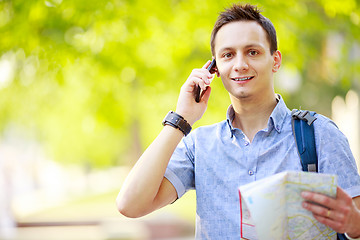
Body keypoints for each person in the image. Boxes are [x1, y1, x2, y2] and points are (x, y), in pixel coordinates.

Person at [117, 3, 360, 239]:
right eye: (227, 55)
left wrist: (352, 223)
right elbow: (130, 204)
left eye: (252, 52)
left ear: (275, 60)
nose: (240, 65)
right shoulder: (199, 146)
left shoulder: (319, 134)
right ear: (215, 67)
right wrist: (181, 119)